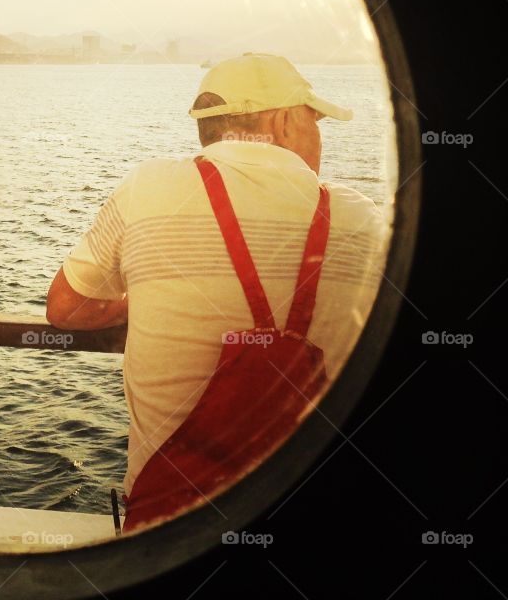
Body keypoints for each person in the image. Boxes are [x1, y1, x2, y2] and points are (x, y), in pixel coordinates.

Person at [46, 52, 387, 530]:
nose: (319, 137)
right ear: (285, 121)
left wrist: (141, 302)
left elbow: (65, 308)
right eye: (316, 121)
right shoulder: (360, 219)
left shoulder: (148, 188)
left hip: (168, 518)